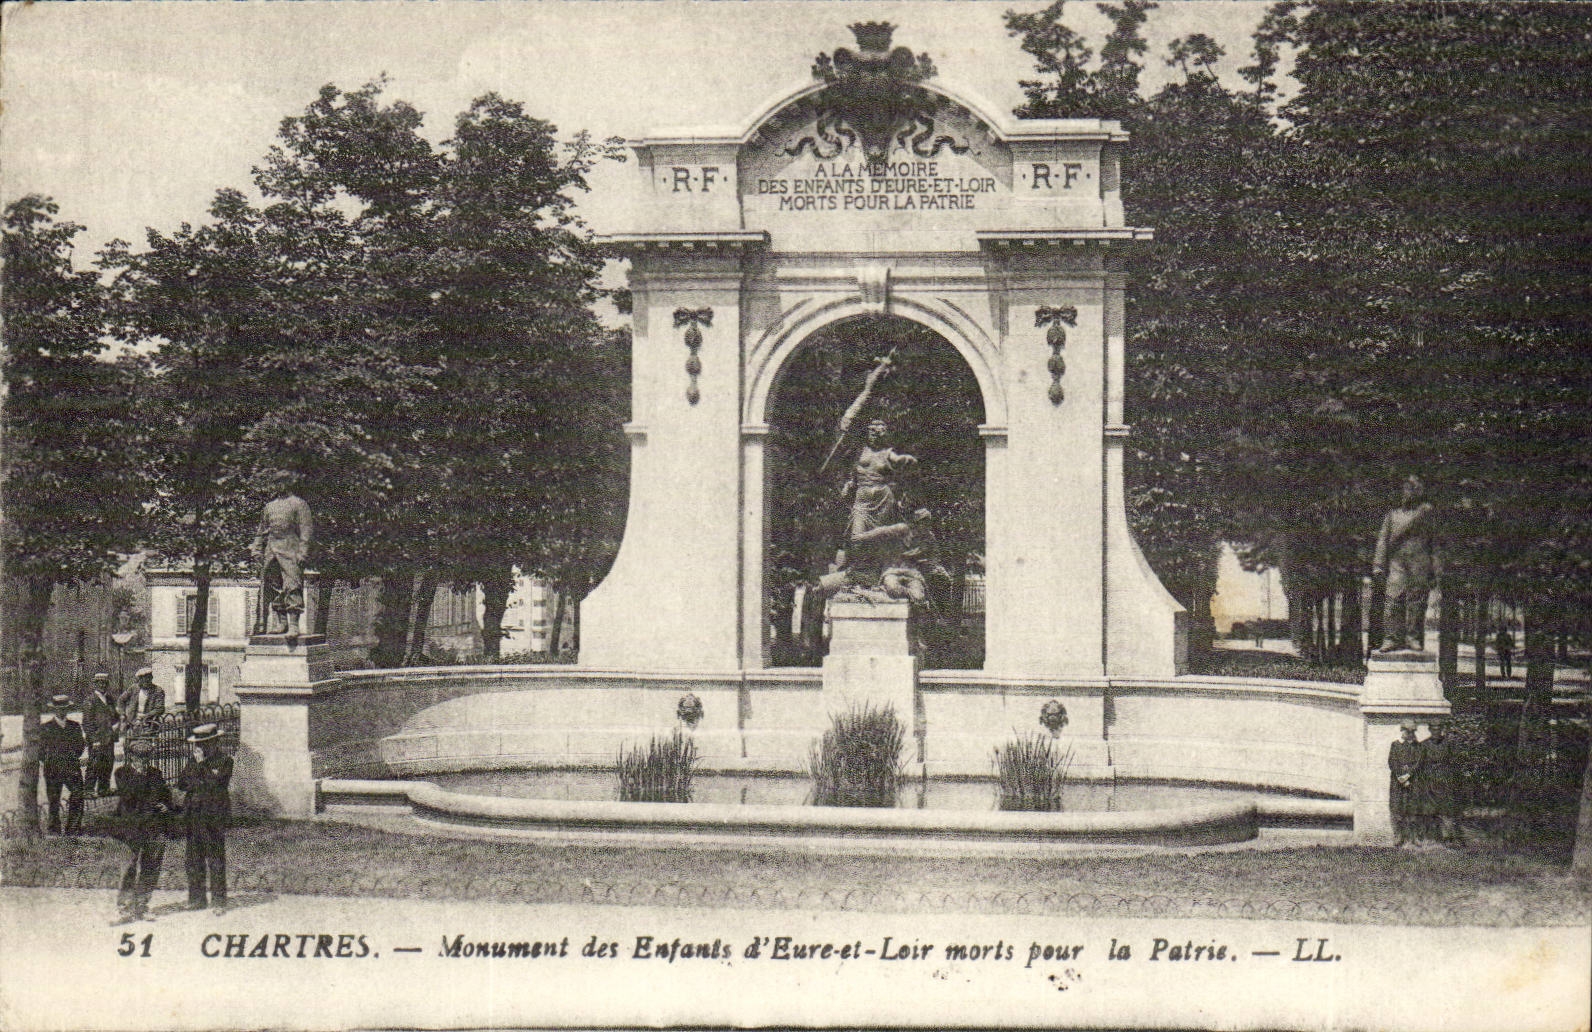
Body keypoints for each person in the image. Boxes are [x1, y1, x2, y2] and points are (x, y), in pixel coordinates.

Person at [1373, 476, 1437, 653]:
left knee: (1416, 601)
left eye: (1413, 489)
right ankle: (1391, 638)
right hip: (1397, 563)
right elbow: (1382, 541)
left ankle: (1413, 637)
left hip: (1419, 561)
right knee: (1393, 599)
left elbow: (1435, 541)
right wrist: (1378, 565)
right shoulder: (1392, 516)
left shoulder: (1425, 513)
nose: (1408, 493)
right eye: (1406, 489)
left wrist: (1436, 568)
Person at [112, 737, 172, 924]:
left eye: (146, 758)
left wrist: (165, 805)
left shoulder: (156, 774)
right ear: (131, 757)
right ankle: (125, 907)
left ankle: (142, 905)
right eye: (139, 758)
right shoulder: (122, 773)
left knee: (151, 866)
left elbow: (164, 794)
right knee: (129, 866)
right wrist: (141, 777)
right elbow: (130, 796)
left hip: (153, 826)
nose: (143, 761)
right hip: (131, 827)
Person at [177, 723, 232, 914]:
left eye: (204, 744)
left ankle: (219, 901)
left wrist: (201, 768)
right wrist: (199, 773)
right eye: (198, 744)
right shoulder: (194, 761)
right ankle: (196, 899)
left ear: (214, 742)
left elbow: (216, 785)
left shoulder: (224, 761)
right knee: (193, 858)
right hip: (194, 814)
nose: (199, 748)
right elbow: (182, 782)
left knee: (215, 858)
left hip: (213, 816)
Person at [253, 476, 314, 639]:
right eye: (276, 482)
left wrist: (303, 552)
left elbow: (306, 530)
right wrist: (257, 550)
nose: (279, 485)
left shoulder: (299, 504)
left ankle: (294, 624)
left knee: (292, 585)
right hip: (271, 551)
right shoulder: (269, 507)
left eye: (282, 481)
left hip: (290, 550)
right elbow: (261, 531)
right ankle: (281, 623)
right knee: (274, 587)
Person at [40, 694, 86, 835]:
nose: (61, 711)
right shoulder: (45, 727)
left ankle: (73, 828)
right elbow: (40, 750)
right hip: (53, 769)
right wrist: (49, 760)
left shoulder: (75, 726)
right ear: (53, 710)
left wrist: (71, 756)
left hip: (71, 768)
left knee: (78, 794)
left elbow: (80, 746)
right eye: (58, 708)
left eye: (64, 708)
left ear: (68, 709)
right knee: (54, 800)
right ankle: (54, 830)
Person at [1419, 720, 1458, 845]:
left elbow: (1454, 762)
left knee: (1446, 810)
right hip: (1429, 781)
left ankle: (1448, 838)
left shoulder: (1448, 744)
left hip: (1445, 780)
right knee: (1429, 809)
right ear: (1430, 730)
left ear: (1441, 729)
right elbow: (1419, 764)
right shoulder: (1424, 745)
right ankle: (1430, 837)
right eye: (1433, 729)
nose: (1436, 732)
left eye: (1438, 729)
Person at [82, 673, 120, 796]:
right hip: (97, 739)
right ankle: (88, 790)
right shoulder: (90, 700)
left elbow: (115, 716)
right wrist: (93, 739)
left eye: (105, 683)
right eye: (100, 683)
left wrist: (117, 724)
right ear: (95, 684)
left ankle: (104, 789)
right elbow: (87, 722)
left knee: (108, 763)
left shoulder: (109, 699)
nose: (102, 685)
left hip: (109, 737)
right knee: (94, 764)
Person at [1387, 721, 1421, 846]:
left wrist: (1408, 775)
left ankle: (1414, 836)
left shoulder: (1417, 746)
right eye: (1407, 731)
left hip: (1413, 782)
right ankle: (1398, 836)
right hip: (1397, 783)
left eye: (1412, 732)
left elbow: (1418, 762)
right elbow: (1392, 762)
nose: (1410, 734)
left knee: (1413, 809)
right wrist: (1400, 776)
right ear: (1402, 731)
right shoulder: (1395, 745)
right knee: (1397, 808)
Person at [119, 666, 165, 735]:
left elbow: (160, 708)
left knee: (147, 743)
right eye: (142, 679)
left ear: (151, 678)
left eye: (148, 679)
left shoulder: (158, 690)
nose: (146, 681)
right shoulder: (133, 688)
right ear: (139, 679)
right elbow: (121, 700)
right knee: (131, 742)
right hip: (132, 722)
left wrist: (147, 715)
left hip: (150, 723)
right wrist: (123, 714)